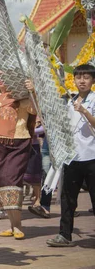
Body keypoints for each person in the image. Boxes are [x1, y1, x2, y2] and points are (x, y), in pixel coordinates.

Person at [46, 64, 95, 247]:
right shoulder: (69, 100)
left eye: (86, 77)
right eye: (78, 77)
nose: (82, 81)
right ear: (73, 79)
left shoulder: (94, 99)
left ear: (92, 80)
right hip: (73, 157)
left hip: (92, 156)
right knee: (68, 198)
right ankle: (65, 235)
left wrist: (84, 111)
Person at [0, 67, 36, 240]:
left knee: (12, 181)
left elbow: (35, 110)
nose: (0, 78)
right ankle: (12, 224)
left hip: (18, 141)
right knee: (0, 182)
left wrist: (32, 92)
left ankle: (17, 226)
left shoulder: (21, 95)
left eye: (3, 75)